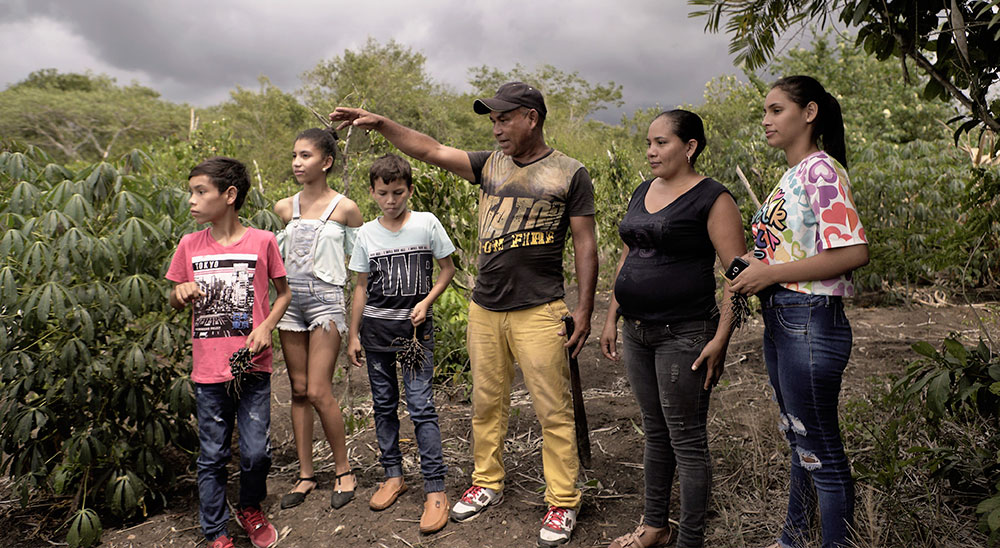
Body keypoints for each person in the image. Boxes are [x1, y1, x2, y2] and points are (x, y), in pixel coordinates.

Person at [331, 81, 598, 547]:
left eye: (503, 119)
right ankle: (487, 482)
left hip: (539, 308)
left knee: (552, 409)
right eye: (492, 121)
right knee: (486, 402)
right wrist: (383, 124)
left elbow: (585, 243)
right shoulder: (489, 165)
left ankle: (562, 501)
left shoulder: (569, 173)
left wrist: (585, 308)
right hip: (485, 306)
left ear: (531, 118)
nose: (495, 129)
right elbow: (431, 150)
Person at [729, 75, 869, 548]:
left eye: (775, 110)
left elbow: (852, 252)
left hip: (808, 318)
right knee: (800, 439)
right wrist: (759, 264)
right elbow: (793, 250)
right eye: (764, 112)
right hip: (785, 317)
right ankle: (793, 538)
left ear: (808, 113)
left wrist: (769, 274)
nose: (766, 120)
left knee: (821, 450)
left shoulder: (820, 171)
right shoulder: (792, 175)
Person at [599, 110, 746, 548]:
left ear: (690, 146)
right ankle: (655, 527)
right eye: (649, 142)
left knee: (686, 437)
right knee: (654, 429)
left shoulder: (713, 198)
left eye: (661, 143)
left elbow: (736, 274)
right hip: (637, 332)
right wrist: (612, 315)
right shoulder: (643, 190)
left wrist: (721, 338)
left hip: (685, 334)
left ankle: (691, 541)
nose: (650, 151)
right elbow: (628, 256)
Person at [166, 157, 291, 548]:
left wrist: (266, 326)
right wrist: (179, 294)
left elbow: (283, 294)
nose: (192, 200)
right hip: (208, 370)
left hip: (251, 367)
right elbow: (173, 298)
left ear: (229, 195)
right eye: (192, 192)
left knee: (256, 453)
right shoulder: (189, 245)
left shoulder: (263, 241)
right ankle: (215, 531)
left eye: (200, 192)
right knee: (212, 455)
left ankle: (249, 506)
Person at [346, 154, 457, 534]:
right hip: (375, 335)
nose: (391, 200)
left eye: (397, 193)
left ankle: (435, 488)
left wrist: (426, 302)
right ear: (373, 193)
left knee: (422, 407)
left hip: (414, 336)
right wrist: (353, 335)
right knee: (383, 405)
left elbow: (447, 269)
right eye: (383, 193)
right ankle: (393, 474)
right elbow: (360, 287)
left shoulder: (426, 224)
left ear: (409, 190)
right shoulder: (366, 234)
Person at [273, 127, 363, 510]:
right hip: (290, 302)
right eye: (294, 155)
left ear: (326, 162)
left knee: (318, 390)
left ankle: (343, 469)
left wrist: (358, 322)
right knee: (297, 388)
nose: (297, 162)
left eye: (306, 155)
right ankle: (306, 475)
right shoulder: (283, 208)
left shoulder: (345, 208)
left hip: (326, 302)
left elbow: (361, 268)